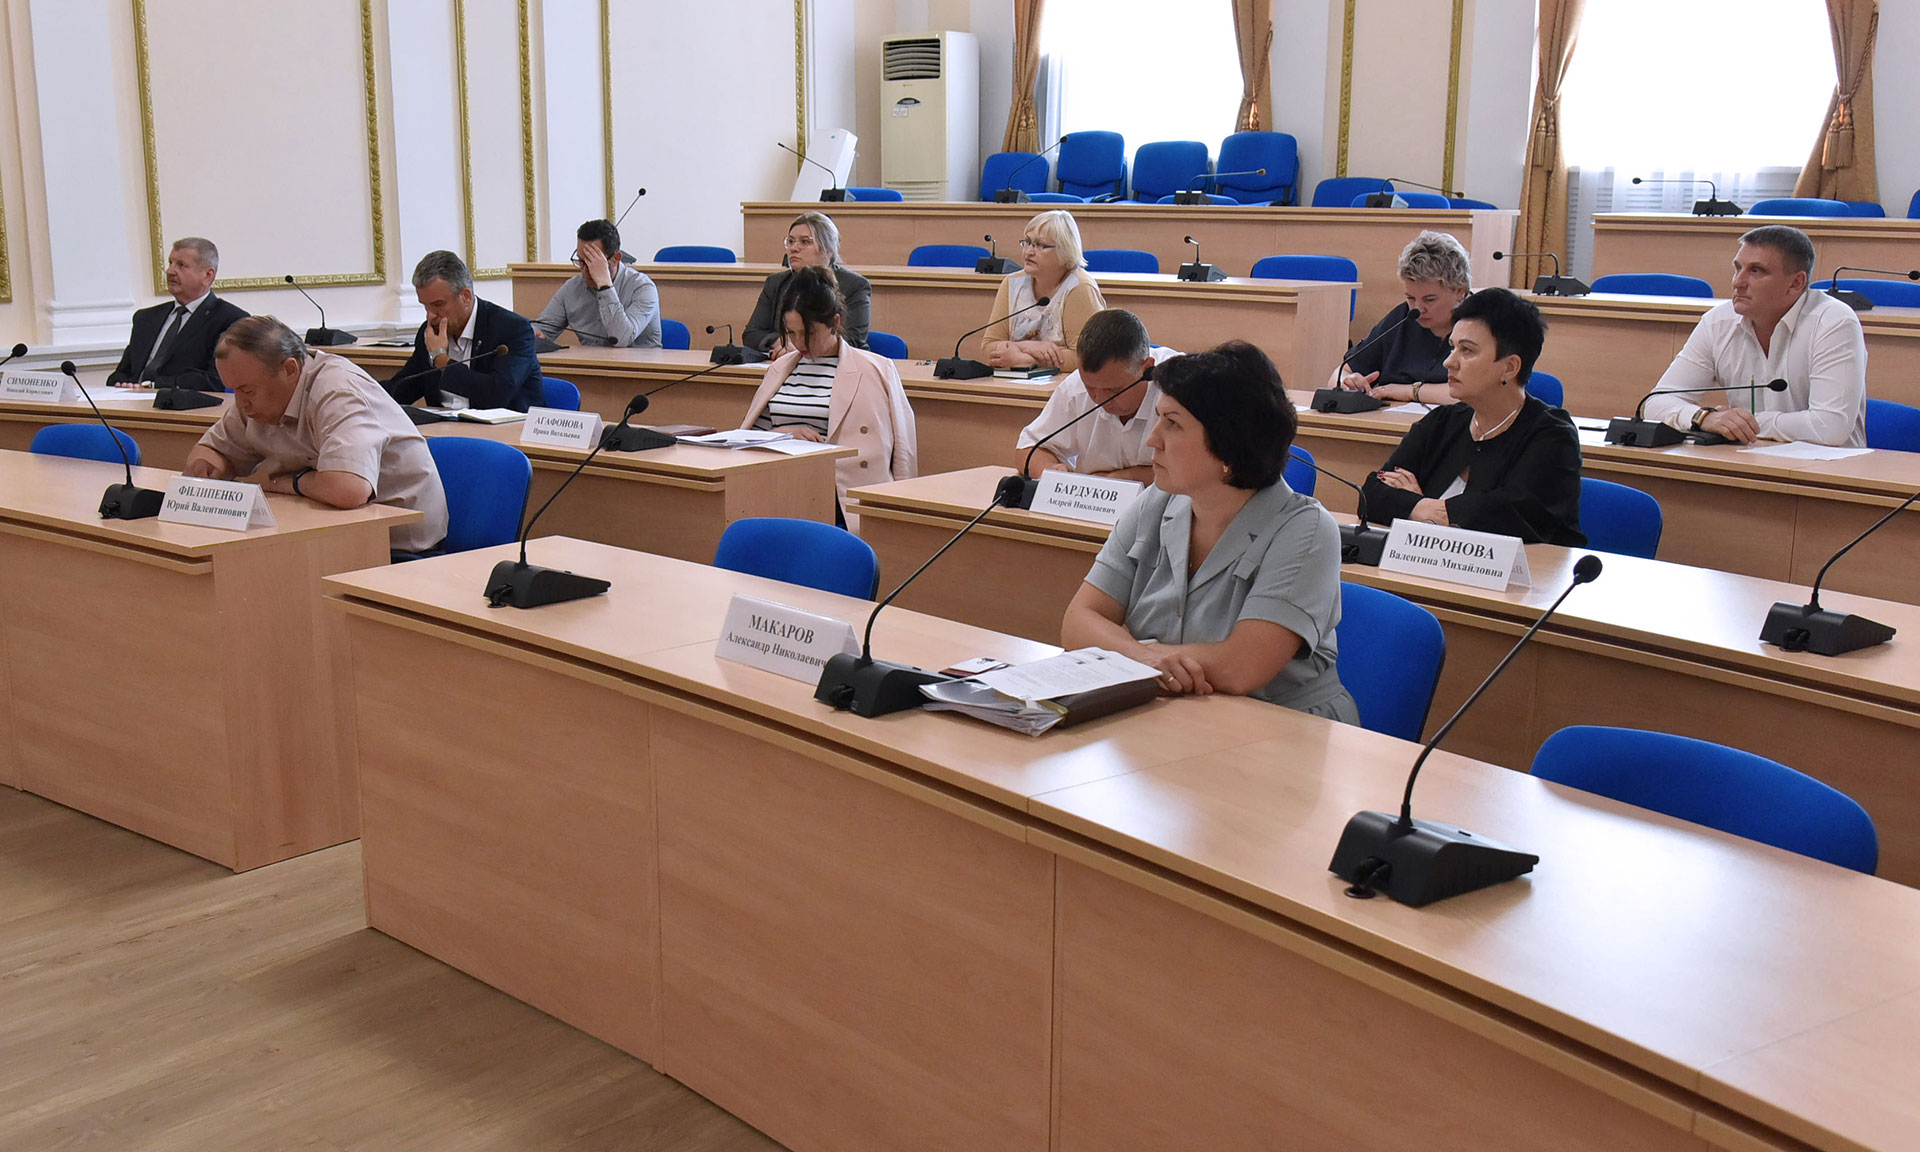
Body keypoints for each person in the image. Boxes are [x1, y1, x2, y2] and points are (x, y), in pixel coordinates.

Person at [1061, 341, 1357, 720]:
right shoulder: (1157, 502)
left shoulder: (1307, 530)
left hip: (1285, 724)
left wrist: (1134, 656)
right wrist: (1143, 659)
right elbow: (1078, 621)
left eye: (1173, 423)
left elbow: (1241, 668)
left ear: (1228, 446)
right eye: (1158, 418)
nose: (1152, 439)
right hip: (1175, 712)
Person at [184, 316, 448, 554]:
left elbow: (349, 490)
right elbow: (212, 450)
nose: (240, 403)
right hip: (327, 535)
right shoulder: (257, 399)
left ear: (289, 369)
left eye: (247, 391)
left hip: (398, 547)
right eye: (234, 391)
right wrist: (210, 469)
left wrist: (289, 483)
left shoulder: (337, 390)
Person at [1360, 288, 1584, 545]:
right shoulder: (1441, 422)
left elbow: (1509, 518)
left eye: (1467, 350)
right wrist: (1431, 510)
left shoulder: (1553, 437)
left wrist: (1419, 506)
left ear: (1510, 367)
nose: (1449, 362)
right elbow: (1372, 494)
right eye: (1452, 347)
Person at [1642, 224, 1866, 447]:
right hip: (1745, 460)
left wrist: (1746, 423)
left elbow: (1830, 427)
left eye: (1756, 271)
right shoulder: (1718, 322)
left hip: (1826, 465)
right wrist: (1703, 418)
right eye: (1737, 268)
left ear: (1796, 283)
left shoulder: (1833, 322)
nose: (1737, 282)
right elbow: (1656, 402)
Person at [739, 265, 916, 513]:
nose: (799, 342)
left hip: (842, 498)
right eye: (791, 333)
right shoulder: (779, 369)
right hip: (783, 489)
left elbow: (903, 451)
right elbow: (747, 441)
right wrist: (782, 434)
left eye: (809, 333)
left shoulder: (877, 369)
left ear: (834, 323)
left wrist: (901, 509)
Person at [1013, 308, 1176, 483]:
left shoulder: (1181, 387)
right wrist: (1051, 470)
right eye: (1090, 387)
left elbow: (1195, 471)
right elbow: (1028, 448)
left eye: (1113, 390)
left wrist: (1114, 479)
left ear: (1147, 369)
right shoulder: (1075, 387)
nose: (1100, 400)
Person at [387, 251, 541, 411]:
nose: (430, 316)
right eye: (425, 306)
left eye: (438, 305)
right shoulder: (430, 333)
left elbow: (497, 394)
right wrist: (369, 391)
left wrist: (441, 359)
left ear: (466, 296)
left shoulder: (512, 329)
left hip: (508, 425)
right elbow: (403, 388)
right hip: (443, 425)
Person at [1330, 230, 1471, 405]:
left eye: (1429, 299)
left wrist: (1408, 391)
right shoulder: (1403, 318)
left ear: (1460, 292)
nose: (1418, 308)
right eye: (1411, 298)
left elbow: (1475, 394)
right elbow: (1340, 373)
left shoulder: (1480, 323)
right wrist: (1347, 382)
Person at [108, 237, 250, 392]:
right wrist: (122, 384)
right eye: (170, 263)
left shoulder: (230, 320)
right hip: (131, 401)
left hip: (183, 403)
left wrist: (152, 386)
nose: (170, 271)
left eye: (181, 265)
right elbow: (121, 374)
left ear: (208, 275)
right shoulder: (146, 318)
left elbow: (215, 380)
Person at [980, 209, 1107, 374]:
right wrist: (1030, 346)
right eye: (1027, 242)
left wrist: (1029, 361)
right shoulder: (1012, 284)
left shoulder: (1080, 288)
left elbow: (1085, 357)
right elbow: (988, 348)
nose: (1029, 251)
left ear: (1065, 250)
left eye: (1040, 245)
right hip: (1015, 383)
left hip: (1066, 384)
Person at [742, 212, 871, 355]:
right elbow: (752, 334)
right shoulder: (776, 282)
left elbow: (853, 341)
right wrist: (782, 341)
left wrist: (801, 345)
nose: (793, 248)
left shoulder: (855, 285)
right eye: (791, 241)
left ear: (828, 250)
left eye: (805, 242)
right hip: (785, 362)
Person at [532, 219, 662, 348]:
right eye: (581, 262)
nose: (585, 271)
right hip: (590, 360)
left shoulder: (643, 288)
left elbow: (621, 339)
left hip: (637, 361)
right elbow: (543, 328)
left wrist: (604, 286)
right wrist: (535, 334)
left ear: (616, 258)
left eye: (593, 262)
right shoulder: (572, 287)